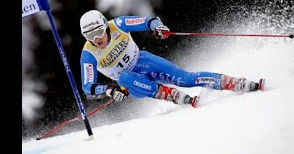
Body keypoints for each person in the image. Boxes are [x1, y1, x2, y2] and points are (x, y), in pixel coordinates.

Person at [79, 10, 265, 108]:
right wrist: (110, 90)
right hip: (134, 84)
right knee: (124, 78)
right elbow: (88, 86)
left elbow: (146, 21)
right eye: (89, 36)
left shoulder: (118, 25)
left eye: (98, 32)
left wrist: (157, 27)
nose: (96, 39)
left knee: (186, 79)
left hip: (144, 62)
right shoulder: (88, 54)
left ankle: (234, 82)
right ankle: (168, 94)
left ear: (105, 25)